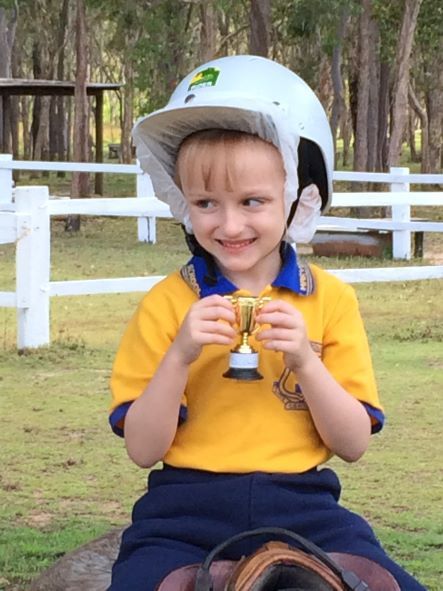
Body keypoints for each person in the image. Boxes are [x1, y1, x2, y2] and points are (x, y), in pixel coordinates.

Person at [108, 55, 426, 590]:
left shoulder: (330, 300)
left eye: (253, 201)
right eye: (205, 202)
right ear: (182, 205)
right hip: (181, 512)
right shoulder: (166, 305)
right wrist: (179, 356)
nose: (229, 224)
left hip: (306, 508)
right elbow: (143, 450)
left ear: (299, 199)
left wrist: (305, 360)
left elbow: (352, 444)